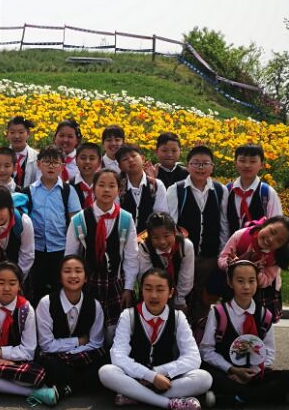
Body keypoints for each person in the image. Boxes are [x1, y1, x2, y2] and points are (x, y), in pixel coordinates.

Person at [98, 269, 213, 410]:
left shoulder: (178, 317)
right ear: (141, 290)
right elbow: (118, 355)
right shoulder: (129, 315)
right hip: (134, 378)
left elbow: (193, 357)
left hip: (165, 380)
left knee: (204, 378)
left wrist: (158, 373)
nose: (153, 295)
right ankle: (168, 403)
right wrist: (149, 376)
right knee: (106, 372)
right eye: (148, 289)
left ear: (170, 292)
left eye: (160, 290)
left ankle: (135, 396)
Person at [199, 260, 289, 407]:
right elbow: (206, 350)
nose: (246, 286)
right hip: (226, 372)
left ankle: (235, 398)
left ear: (257, 282)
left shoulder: (264, 315)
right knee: (207, 376)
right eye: (240, 281)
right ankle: (270, 396)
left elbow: (269, 352)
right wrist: (233, 370)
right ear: (230, 282)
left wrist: (252, 373)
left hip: (255, 373)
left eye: (251, 281)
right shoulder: (218, 313)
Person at [0, 262, 58, 406]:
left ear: (19, 286)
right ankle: (31, 393)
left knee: (35, 375)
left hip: (15, 361)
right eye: (1, 283)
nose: (6, 288)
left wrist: (1, 353)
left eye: (12, 283)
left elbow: (29, 351)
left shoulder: (26, 309)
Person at [64, 168, 137, 341]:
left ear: (119, 190)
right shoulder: (79, 220)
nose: (106, 190)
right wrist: (72, 287)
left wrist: (128, 287)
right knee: (88, 328)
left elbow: (131, 257)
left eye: (112, 186)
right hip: (87, 283)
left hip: (115, 282)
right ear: (93, 188)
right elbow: (70, 257)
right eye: (101, 185)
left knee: (115, 331)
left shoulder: (126, 219)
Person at [166, 145, 229, 329]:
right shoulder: (176, 190)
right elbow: (171, 224)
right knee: (180, 300)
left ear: (212, 167)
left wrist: (222, 254)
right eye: (196, 163)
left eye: (205, 163)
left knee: (204, 301)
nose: (201, 168)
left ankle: (201, 339)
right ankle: (178, 336)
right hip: (183, 257)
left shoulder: (220, 190)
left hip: (209, 258)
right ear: (187, 166)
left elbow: (224, 224)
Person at [35, 255, 106, 398]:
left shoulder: (94, 305)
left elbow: (96, 343)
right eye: (67, 271)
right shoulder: (46, 303)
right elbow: (46, 345)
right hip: (56, 358)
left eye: (78, 271)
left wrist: (73, 353)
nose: (73, 275)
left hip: (83, 356)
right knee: (49, 364)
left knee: (106, 360)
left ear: (86, 278)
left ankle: (68, 388)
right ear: (60, 277)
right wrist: (78, 341)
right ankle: (81, 384)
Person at [27, 146, 82, 304]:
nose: (51, 166)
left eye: (55, 162)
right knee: (36, 291)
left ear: (62, 166)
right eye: (46, 162)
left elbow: (75, 222)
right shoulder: (29, 191)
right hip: (36, 250)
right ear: (38, 164)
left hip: (60, 250)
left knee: (60, 291)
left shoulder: (68, 191)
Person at [218, 216, 289, 322]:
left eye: (279, 241)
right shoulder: (241, 236)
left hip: (259, 294)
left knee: (255, 323)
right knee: (229, 321)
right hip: (233, 289)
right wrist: (230, 263)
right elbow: (222, 259)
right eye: (272, 232)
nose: (271, 239)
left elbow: (267, 280)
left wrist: (257, 273)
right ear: (264, 225)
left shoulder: (276, 257)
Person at [137, 211, 195, 313]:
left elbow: (186, 277)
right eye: (156, 237)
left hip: (180, 293)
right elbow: (145, 277)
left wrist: (179, 300)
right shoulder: (145, 248)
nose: (162, 242)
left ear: (174, 232)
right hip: (153, 294)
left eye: (166, 235)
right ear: (149, 237)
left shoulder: (185, 246)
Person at [221, 143, 283, 236]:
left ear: (261, 165)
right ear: (235, 163)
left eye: (253, 161)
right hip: (229, 244)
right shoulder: (227, 190)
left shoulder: (267, 193)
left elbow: (276, 226)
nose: (247, 165)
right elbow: (223, 224)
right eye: (242, 161)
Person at [117, 144, 168, 232]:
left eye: (134, 156)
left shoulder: (156, 185)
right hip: (124, 236)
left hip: (150, 237)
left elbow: (161, 215)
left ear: (142, 158)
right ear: (120, 167)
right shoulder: (118, 188)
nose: (131, 160)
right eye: (125, 159)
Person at [4, 116, 38, 188]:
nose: (17, 136)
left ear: (28, 134)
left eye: (21, 132)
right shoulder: (0, 156)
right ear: (7, 134)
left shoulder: (36, 157)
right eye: (12, 132)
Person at [71, 142, 102, 209]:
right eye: (83, 158)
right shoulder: (69, 186)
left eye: (92, 158)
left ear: (99, 162)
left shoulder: (105, 185)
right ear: (76, 160)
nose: (87, 162)